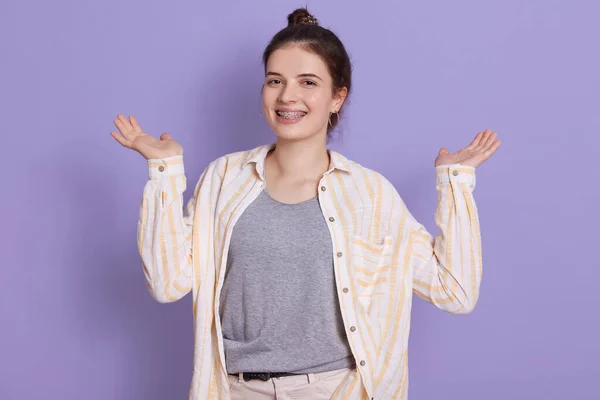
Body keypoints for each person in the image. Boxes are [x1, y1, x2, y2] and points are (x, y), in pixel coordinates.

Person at [110, 7, 500, 400]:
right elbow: (166, 283)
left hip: (335, 390)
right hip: (235, 390)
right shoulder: (224, 179)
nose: (287, 96)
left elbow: (455, 290)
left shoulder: (371, 194)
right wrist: (164, 170)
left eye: (308, 82)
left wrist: (456, 184)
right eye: (274, 80)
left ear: (337, 97)